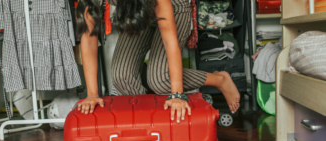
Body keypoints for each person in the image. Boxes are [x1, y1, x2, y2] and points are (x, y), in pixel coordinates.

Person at [76, 0, 240, 123]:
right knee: (121, 76)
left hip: (173, 7)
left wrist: (177, 95)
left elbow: (170, 43)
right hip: (134, 9)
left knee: (160, 80)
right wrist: (92, 94)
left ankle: (220, 79)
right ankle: (147, 121)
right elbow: (89, 39)